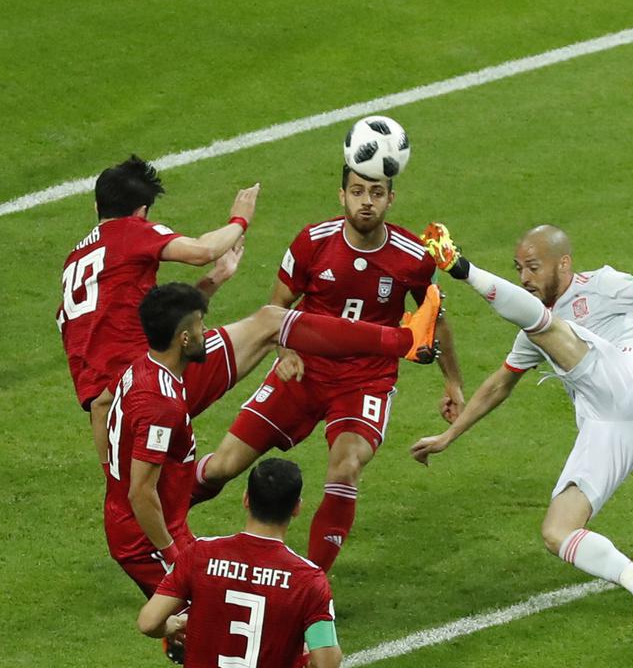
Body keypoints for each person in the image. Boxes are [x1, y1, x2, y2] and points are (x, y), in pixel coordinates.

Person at [410, 222, 633, 656]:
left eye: (532, 267)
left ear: (563, 263)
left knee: (540, 323)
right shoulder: (535, 326)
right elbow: (499, 384)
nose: (524, 277)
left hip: (632, 383)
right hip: (612, 427)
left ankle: (461, 267)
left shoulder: (600, 285)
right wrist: (449, 435)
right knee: (557, 531)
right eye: (518, 268)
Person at [105, 282, 438, 659]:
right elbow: (139, 493)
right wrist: (174, 556)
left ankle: (402, 340)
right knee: (232, 638)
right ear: (183, 337)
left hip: (157, 514)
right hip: (145, 538)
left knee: (269, 321)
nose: (206, 332)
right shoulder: (160, 406)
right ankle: (191, 642)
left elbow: (103, 406)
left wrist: (111, 470)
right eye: (200, 325)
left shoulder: (145, 369)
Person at [191, 165, 465, 574]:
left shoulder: (412, 256)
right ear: (342, 196)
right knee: (222, 466)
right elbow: (276, 308)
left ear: (391, 198)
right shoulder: (313, 242)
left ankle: (310, 585)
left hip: (365, 381)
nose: (366, 201)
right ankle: (159, 518)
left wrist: (452, 384)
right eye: (357, 191)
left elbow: (434, 317)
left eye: (376, 192)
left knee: (347, 465)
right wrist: (284, 351)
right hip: (305, 371)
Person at [57, 155, 258, 472]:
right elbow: (202, 250)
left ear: (97, 207)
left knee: (148, 486)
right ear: (141, 213)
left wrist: (215, 278)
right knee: (270, 325)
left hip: (108, 407)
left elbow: (157, 316)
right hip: (147, 383)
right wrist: (239, 220)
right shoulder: (130, 232)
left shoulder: (75, 260)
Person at [139, 458, 341, 668]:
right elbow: (326, 665)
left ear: (246, 498)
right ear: (296, 508)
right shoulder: (308, 580)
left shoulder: (200, 554)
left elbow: (149, 622)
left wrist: (174, 625)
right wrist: (302, 658)